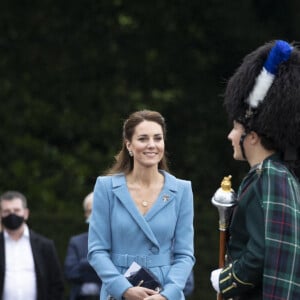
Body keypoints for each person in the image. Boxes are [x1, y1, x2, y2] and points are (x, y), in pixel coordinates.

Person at [210, 40, 300, 300]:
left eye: (236, 128)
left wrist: (225, 280)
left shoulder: (271, 176)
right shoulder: (273, 174)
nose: (230, 135)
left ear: (252, 137)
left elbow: (259, 253)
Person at [88, 110, 195, 300]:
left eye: (158, 138)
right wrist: (124, 289)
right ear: (129, 145)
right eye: (143, 139)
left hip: (163, 291)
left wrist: (168, 294)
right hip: (119, 288)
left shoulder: (181, 190)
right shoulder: (106, 187)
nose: (152, 145)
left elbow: (185, 255)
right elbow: (97, 251)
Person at [0, 190, 64, 300]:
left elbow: (56, 284)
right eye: (7, 211)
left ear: (26, 213)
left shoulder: (45, 246)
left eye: (16, 210)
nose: (12, 214)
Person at [64, 192, 101, 300]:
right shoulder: (76, 241)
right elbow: (70, 273)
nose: (94, 214)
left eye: (98, 210)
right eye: (90, 211)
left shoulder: (116, 241)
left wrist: (82, 263)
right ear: (85, 214)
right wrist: (98, 263)